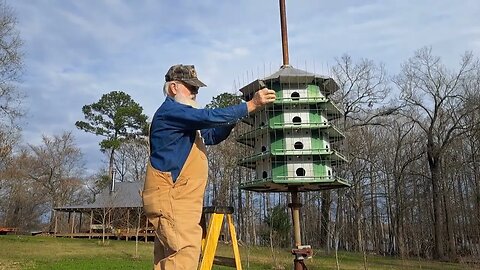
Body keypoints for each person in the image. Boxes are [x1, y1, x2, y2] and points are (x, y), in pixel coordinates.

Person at [142, 64, 276, 269]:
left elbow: (211, 136)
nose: (195, 93)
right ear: (173, 88)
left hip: (175, 199)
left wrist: (235, 117)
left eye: (197, 88)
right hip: (173, 198)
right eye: (190, 87)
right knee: (184, 254)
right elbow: (207, 118)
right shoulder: (171, 112)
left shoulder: (184, 122)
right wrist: (250, 105)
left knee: (169, 258)